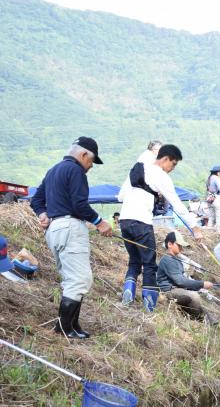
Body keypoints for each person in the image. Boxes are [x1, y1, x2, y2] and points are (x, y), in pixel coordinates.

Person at [30, 137, 113, 339]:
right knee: (80, 279)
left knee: (71, 279)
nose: (91, 166)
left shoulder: (53, 170)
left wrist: (42, 213)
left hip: (54, 229)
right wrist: (99, 221)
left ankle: (73, 326)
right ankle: (64, 329)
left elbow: (36, 200)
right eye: (92, 161)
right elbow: (79, 204)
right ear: (84, 154)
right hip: (70, 226)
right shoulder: (76, 171)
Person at [118, 144, 203, 312]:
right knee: (149, 264)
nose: (172, 169)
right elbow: (177, 204)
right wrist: (195, 227)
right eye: (173, 164)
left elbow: (120, 196)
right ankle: (149, 306)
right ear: (165, 159)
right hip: (141, 222)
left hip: (124, 221)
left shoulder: (137, 169)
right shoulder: (161, 176)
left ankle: (128, 290)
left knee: (134, 260)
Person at [156, 231, 220, 324]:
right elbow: (180, 281)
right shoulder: (167, 260)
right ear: (170, 244)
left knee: (201, 302)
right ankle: (196, 321)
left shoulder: (175, 260)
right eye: (179, 245)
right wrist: (202, 284)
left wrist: (198, 286)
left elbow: (181, 281)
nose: (181, 248)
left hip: (177, 290)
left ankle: (211, 323)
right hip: (168, 291)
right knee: (194, 296)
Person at [206, 165, 220, 232]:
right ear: (218, 173)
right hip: (217, 199)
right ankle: (219, 232)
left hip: (210, 198)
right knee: (219, 217)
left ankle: (209, 231)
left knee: (211, 217)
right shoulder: (217, 178)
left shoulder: (209, 179)